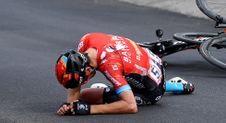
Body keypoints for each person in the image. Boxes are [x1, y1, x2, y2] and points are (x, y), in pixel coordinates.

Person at [55, 32, 194, 115]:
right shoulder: (86, 40)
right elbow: (75, 91)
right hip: (149, 59)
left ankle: (173, 86)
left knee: (88, 96)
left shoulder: (111, 66)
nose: (75, 87)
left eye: (79, 80)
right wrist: (71, 105)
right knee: (84, 95)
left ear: (87, 70)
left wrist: (89, 109)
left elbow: (130, 106)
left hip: (153, 89)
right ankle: (115, 88)